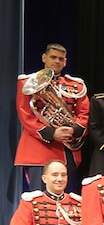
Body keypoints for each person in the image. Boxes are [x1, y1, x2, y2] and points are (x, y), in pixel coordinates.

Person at [15, 44, 89, 192]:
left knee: (66, 199)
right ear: (44, 58)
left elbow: (84, 114)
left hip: (67, 148)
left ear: (65, 62)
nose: (57, 61)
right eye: (53, 57)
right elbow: (25, 115)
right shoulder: (27, 83)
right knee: (37, 199)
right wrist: (52, 133)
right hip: (38, 148)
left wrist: (72, 130)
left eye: (61, 59)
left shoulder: (76, 86)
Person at [7, 159, 82, 225]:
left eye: (63, 175)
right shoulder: (31, 202)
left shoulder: (77, 203)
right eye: (55, 175)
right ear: (44, 179)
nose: (60, 179)